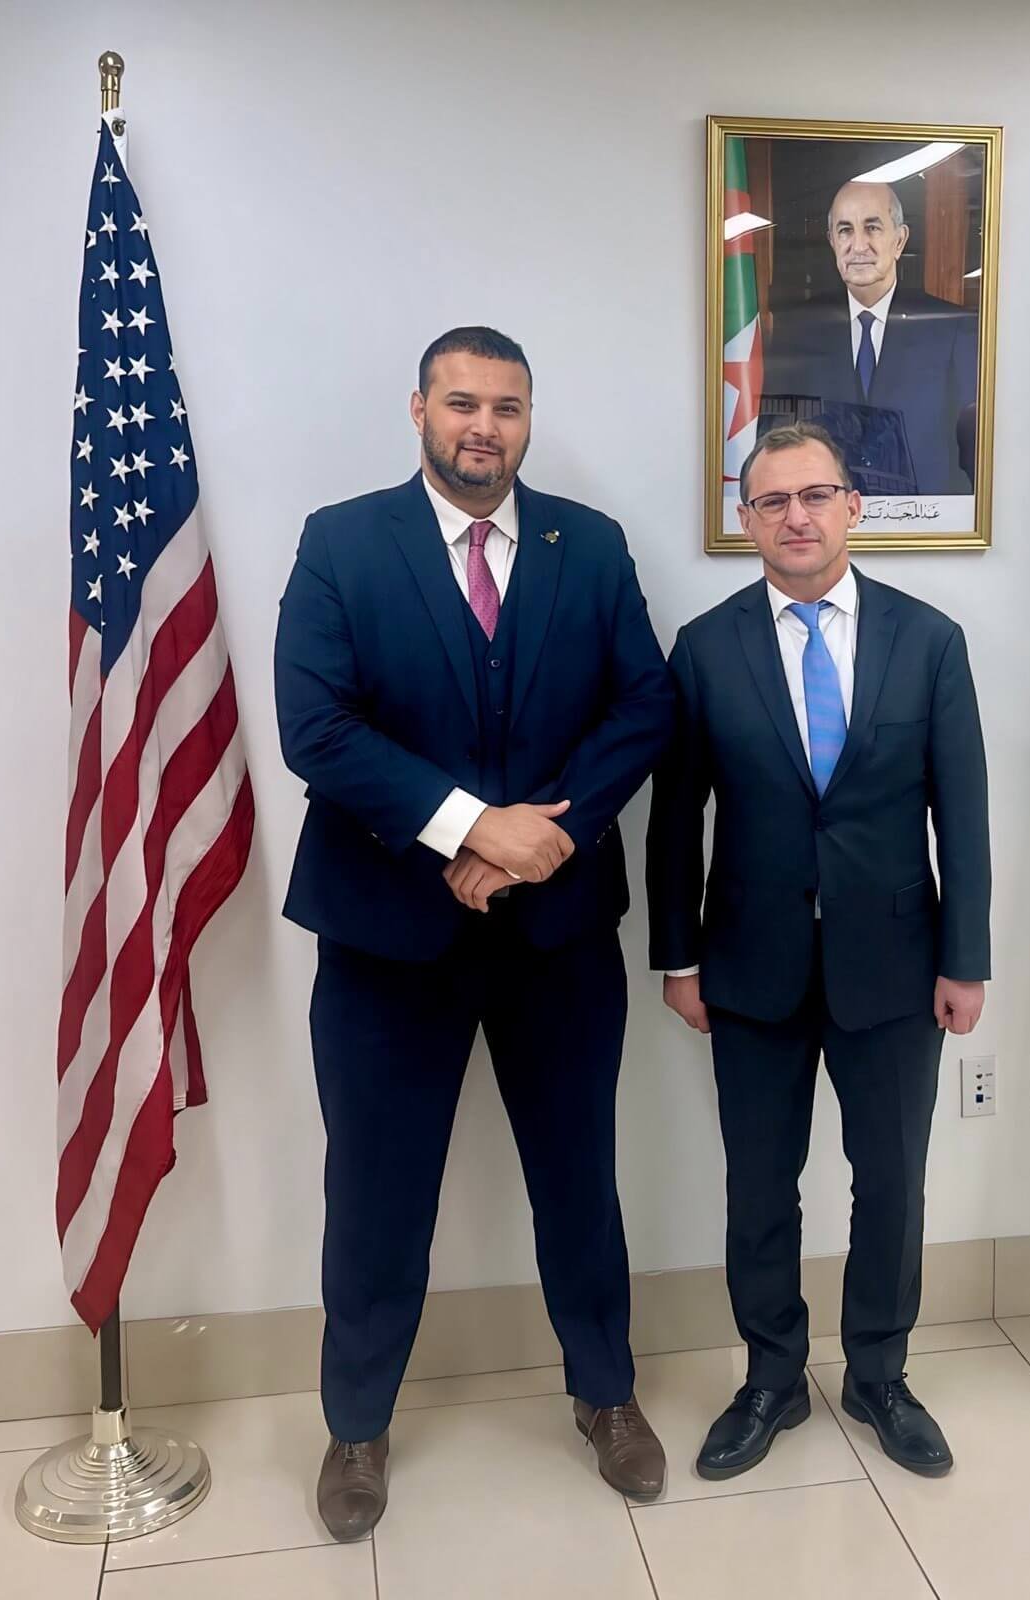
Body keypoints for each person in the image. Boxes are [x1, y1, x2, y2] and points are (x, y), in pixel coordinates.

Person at [275, 325, 674, 1536]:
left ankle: (605, 1393)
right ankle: (356, 1423)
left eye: (506, 407)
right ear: (419, 411)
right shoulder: (342, 542)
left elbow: (642, 702)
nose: (482, 427)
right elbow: (315, 728)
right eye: (461, 403)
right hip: (385, 940)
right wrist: (468, 825)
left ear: (528, 419)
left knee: (578, 1178)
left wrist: (542, 836)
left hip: (558, 936)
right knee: (375, 1191)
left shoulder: (587, 545)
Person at [647, 421, 990, 1481]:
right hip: (749, 968)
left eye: (814, 495)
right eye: (771, 501)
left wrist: (966, 959)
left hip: (896, 969)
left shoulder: (928, 641)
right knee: (760, 1187)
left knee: (891, 1183)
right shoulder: (704, 648)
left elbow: (962, 815)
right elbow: (675, 821)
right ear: (747, 520)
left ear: (851, 506)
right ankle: (772, 1377)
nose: (795, 517)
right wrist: (677, 958)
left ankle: (879, 1373)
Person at [760, 181, 977, 496]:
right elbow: (775, 443)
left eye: (872, 228)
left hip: (925, 520)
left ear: (899, 240)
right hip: (826, 516)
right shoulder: (797, 332)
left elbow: (975, 453)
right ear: (832, 241)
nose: (858, 246)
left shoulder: (953, 329)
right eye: (845, 230)